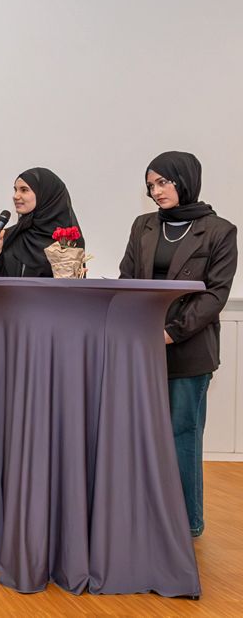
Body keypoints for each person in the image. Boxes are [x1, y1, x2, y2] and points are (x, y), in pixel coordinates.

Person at [118, 151, 237, 537]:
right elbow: (127, 278)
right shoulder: (143, 226)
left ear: (184, 180)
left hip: (188, 348)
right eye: (151, 185)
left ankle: (186, 524)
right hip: (140, 346)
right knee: (139, 434)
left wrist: (170, 333)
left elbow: (215, 295)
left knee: (181, 434)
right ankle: (144, 516)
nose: (156, 191)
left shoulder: (219, 231)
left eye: (163, 182)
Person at [0, 167, 84, 277]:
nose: (15, 196)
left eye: (24, 190)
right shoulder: (8, 237)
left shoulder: (69, 241)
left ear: (45, 194)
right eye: (15, 190)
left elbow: (75, 286)